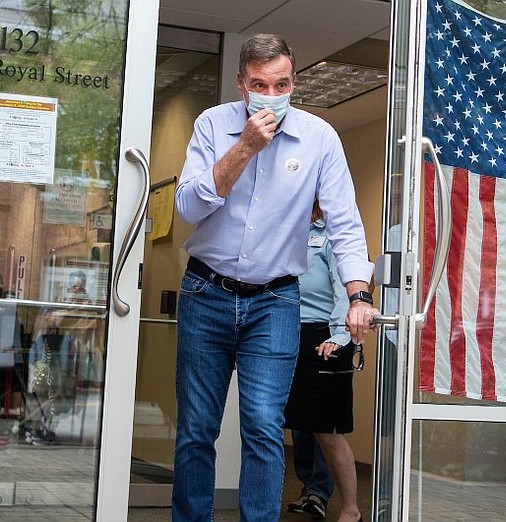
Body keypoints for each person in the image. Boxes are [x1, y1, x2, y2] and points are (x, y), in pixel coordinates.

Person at [172, 33, 379, 521]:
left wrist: (358, 294)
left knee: (264, 426)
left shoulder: (319, 137)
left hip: (275, 302)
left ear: (294, 81)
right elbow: (188, 206)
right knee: (198, 427)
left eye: (281, 83)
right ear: (241, 83)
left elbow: (345, 222)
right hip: (207, 292)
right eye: (260, 85)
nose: (272, 95)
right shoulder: (212, 125)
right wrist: (244, 147)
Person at [284, 201, 363, 522]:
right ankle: (311, 492)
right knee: (291, 424)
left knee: (326, 431)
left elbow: (346, 289)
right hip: (284, 329)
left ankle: (351, 510)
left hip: (325, 336)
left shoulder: (331, 234)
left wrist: (339, 337)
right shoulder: (285, 233)